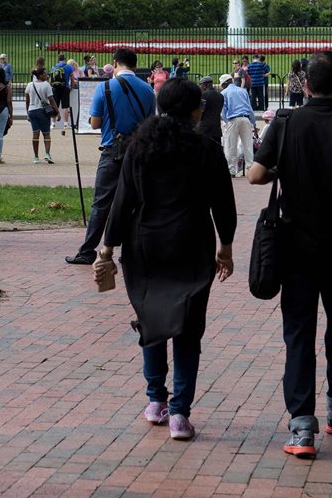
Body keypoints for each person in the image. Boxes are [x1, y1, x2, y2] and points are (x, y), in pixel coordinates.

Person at [248, 50, 332, 459]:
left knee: (299, 332)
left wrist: (281, 170)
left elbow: (255, 174)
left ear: (305, 85)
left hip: (296, 244)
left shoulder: (286, 123)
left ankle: (301, 426)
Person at [95, 79, 236, 441]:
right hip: (191, 242)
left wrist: (107, 246)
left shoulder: (138, 146)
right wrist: (226, 245)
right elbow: (223, 202)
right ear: (193, 110)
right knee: (189, 328)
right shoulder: (206, 148)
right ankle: (180, 414)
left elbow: (121, 199)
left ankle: (156, 400)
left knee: (151, 320)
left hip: (144, 244)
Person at [66, 48, 156, 265]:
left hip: (111, 152)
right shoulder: (147, 89)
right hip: (138, 153)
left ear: (115, 63)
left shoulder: (104, 87)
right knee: (135, 203)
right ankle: (131, 252)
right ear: (135, 65)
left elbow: (95, 122)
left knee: (101, 204)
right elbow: (151, 123)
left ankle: (88, 251)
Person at [220, 73, 255, 176]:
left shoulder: (224, 93)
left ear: (225, 83)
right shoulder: (243, 91)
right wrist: (253, 122)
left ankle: (232, 171)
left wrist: (227, 122)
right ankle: (250, 169)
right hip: (246, 119)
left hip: (233, 119)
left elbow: (223, 111)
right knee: (248, 146)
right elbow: (250, 108)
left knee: (231, 146)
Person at [24, 67, 59, 163]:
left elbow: (27, 100)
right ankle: (47, 154)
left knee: (35, 134)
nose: (46, 75)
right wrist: (57, 112)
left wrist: (27, 112)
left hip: (32, 111)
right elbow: (51, 100)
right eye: (45, 74)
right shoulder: (46, 85)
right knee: (46, 134)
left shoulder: (30, 85)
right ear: (40, 75)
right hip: (43, 111)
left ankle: (36, 157)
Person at [50, 54, 75, 133]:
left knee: (54, 105)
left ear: (58, 59)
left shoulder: (53, 67)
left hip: (55, 88)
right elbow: (72, 78)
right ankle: (65, 124)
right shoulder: (68, 67)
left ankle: (53, 124)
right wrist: (71, 87)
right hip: (65, 87)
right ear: (65, 59)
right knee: (65, 107)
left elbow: (51, 80)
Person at [196, 75, 224, 141]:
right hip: (216, 129)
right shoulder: (221, 96)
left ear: (205, 85)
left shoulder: (203, 95)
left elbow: (201, 110)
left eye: (201, 85)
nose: (200, 87)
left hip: (204, 129)